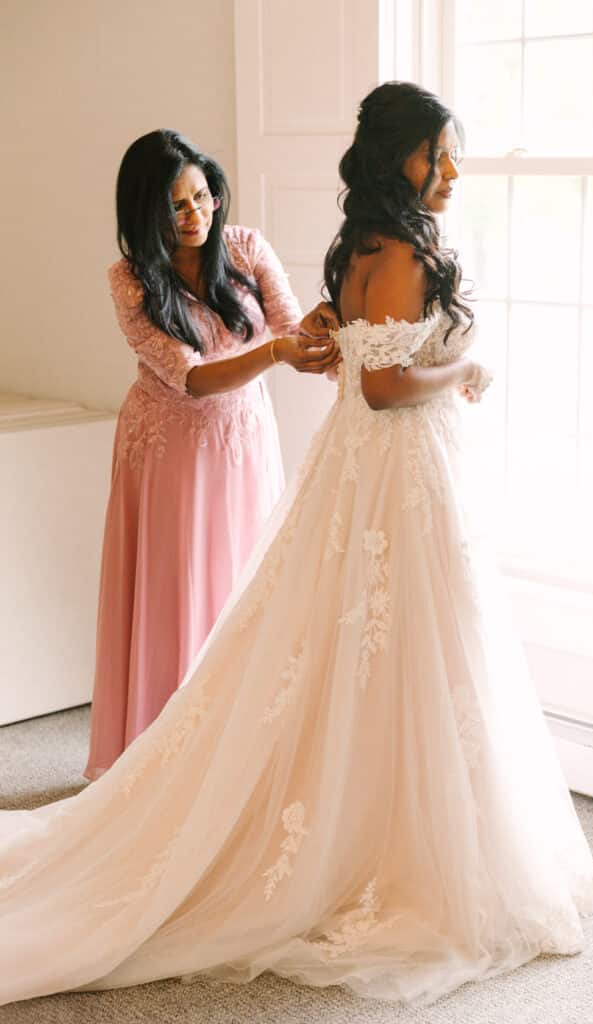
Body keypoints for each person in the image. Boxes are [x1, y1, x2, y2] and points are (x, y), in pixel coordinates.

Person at [0, 84, 593, 1007]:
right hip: (290, 450)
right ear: (393, 156)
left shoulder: (332, 246)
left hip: (335, 460)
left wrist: (317, 335)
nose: (449, 172)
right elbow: (367, 387)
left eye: (203, 195)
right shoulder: (377, 251)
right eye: (433, 155)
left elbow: (320, 338)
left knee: (349, 637)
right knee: (371, 633)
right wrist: (464, 365)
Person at [84, 130, 339, 781]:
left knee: (242, 583)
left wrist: (338, 316)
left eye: (201, 196)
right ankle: (164, 760)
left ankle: (238, 751)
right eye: (177, 205)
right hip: (169, 446)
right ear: (146, 212)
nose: (196, 214)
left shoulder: (246, 248)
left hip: (244, 439)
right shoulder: (129, 280)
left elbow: (289, 328)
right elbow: (189, 376)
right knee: (178, 588)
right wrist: (278, 354)